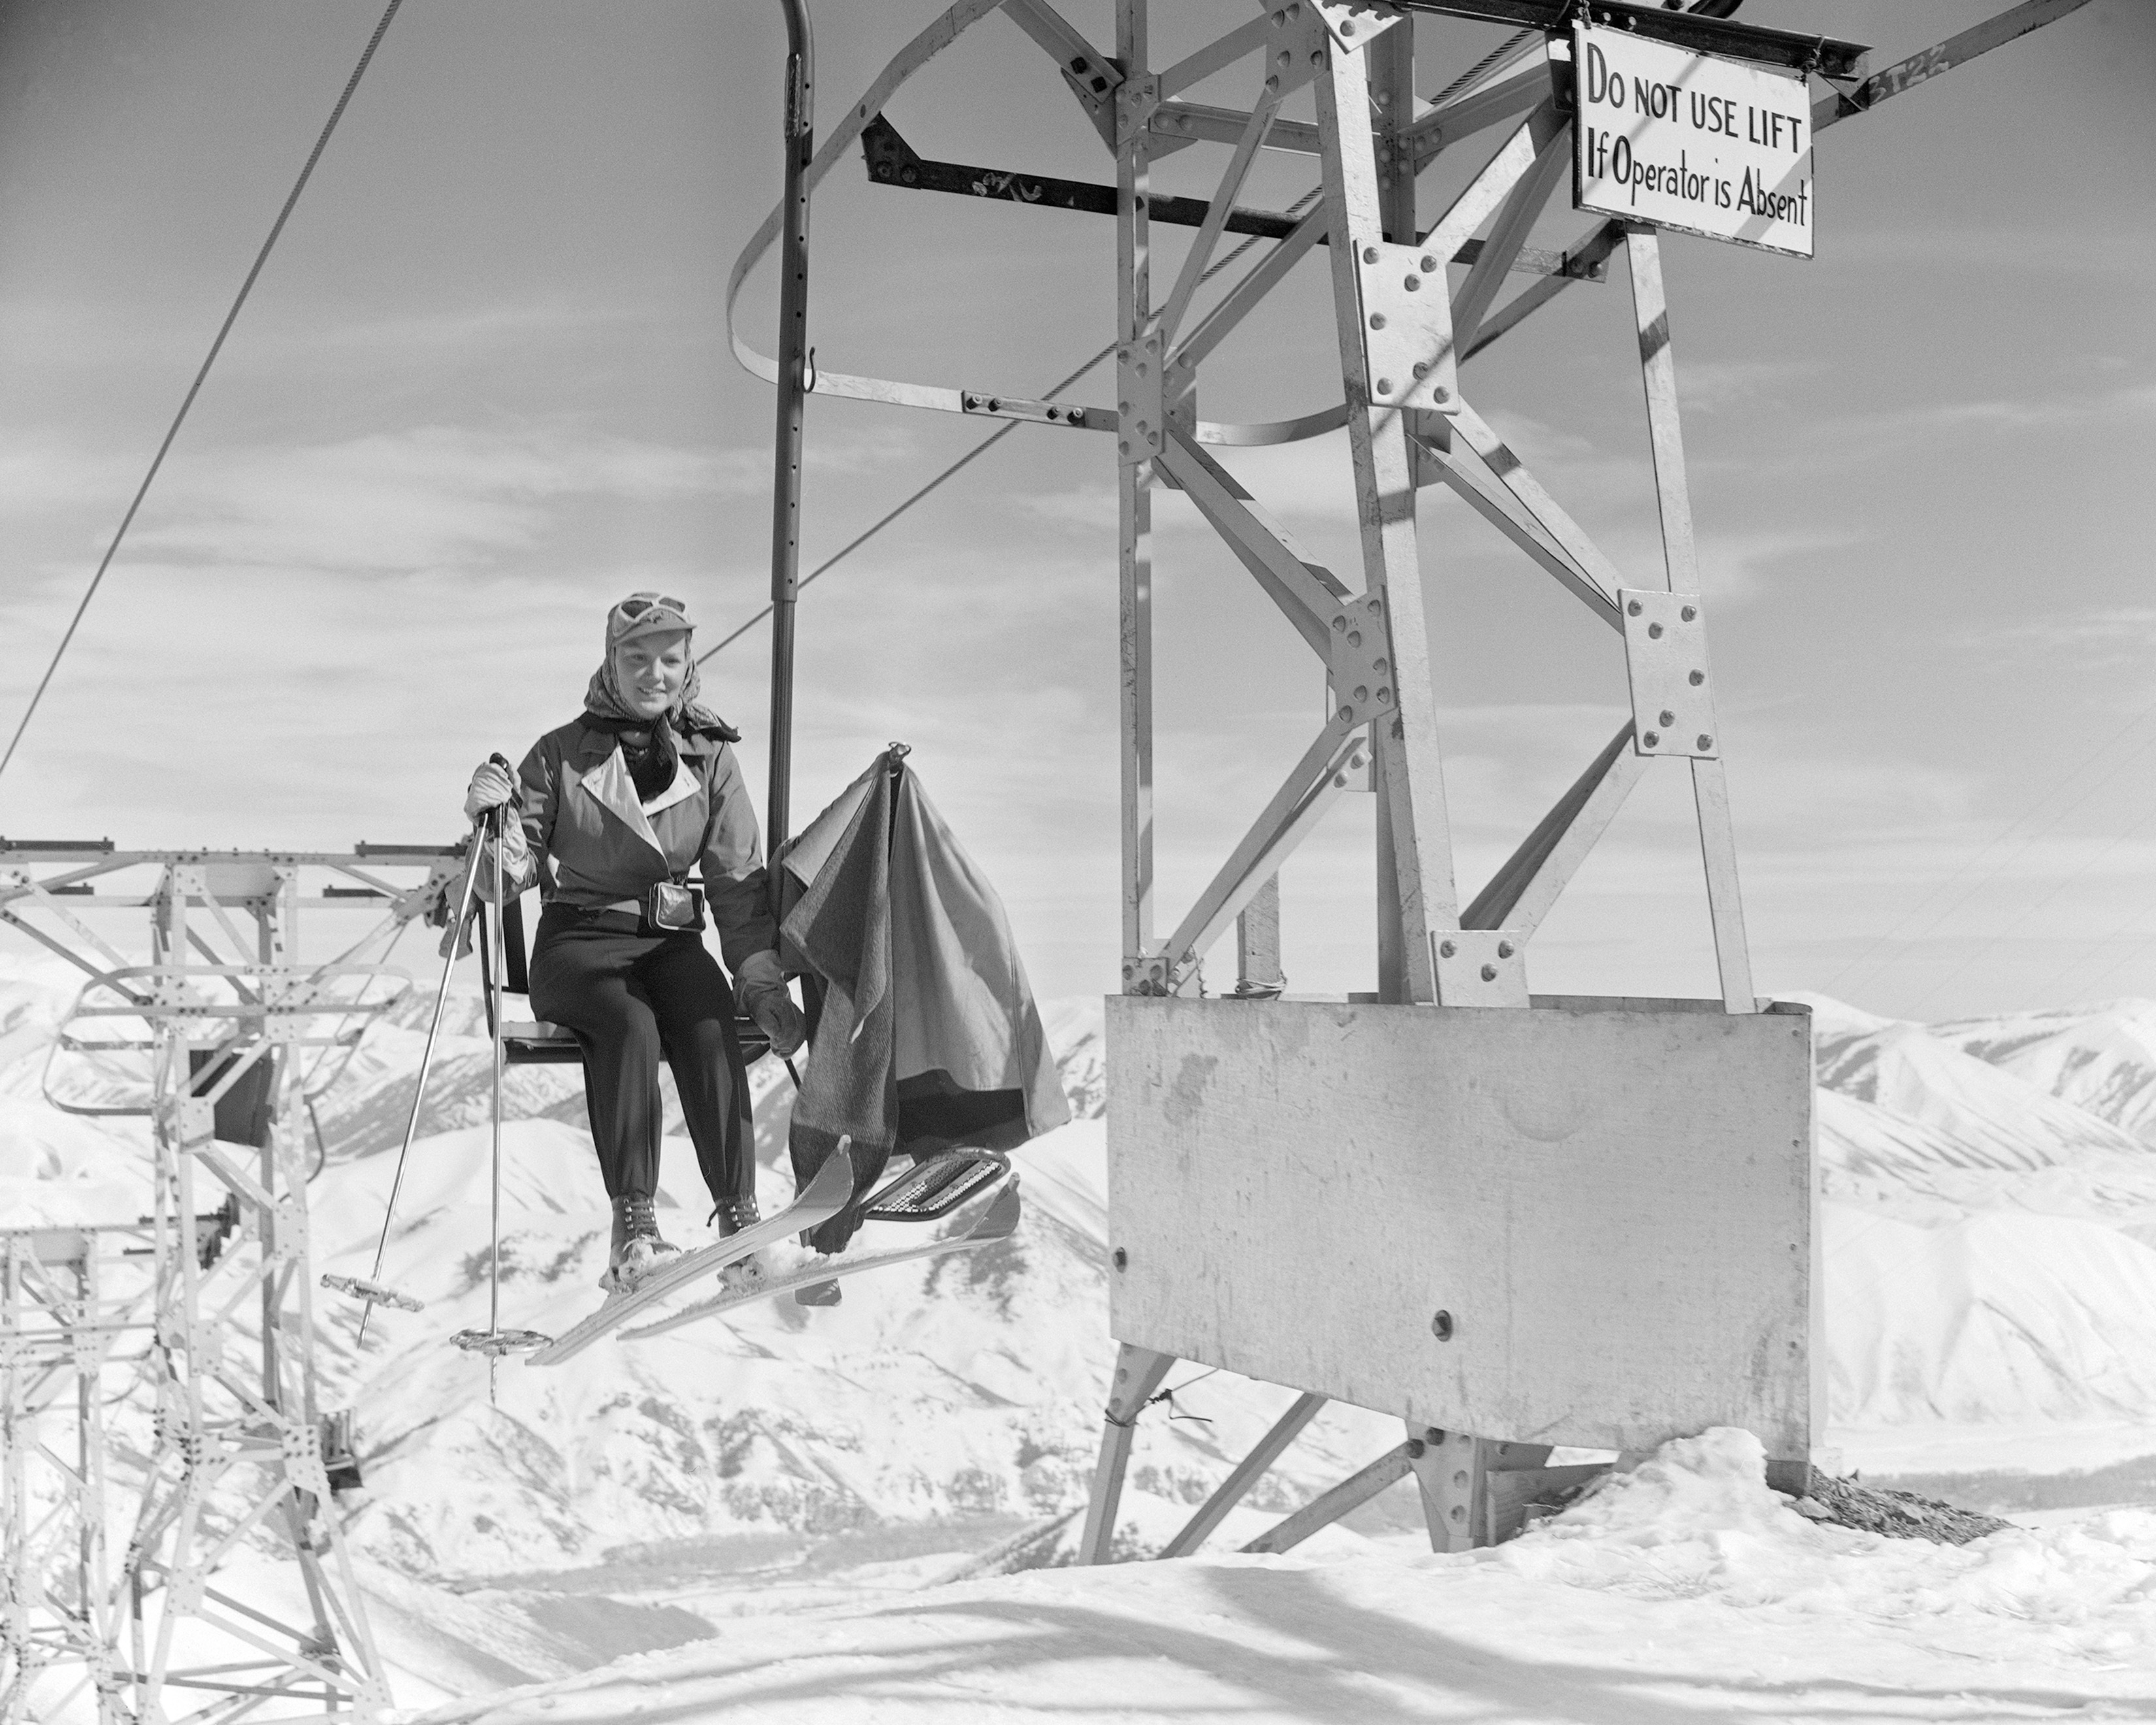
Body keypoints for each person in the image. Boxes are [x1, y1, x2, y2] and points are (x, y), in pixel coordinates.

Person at [461, 592, 805, 1292]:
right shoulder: (561, 754)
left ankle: (740, 1221)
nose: (656, 674)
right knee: (629, 1024)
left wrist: (761, 983)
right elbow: (513, 875)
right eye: (638, 658)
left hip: (670, 943)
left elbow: (737, 879)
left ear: (688, 666)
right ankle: (635, 1230)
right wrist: (490, 825)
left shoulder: (709, 756)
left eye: (671, 659)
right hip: (580, 945)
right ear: (611, 662)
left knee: (709, 1022)